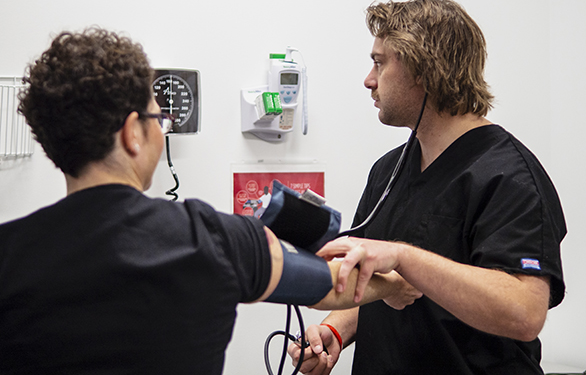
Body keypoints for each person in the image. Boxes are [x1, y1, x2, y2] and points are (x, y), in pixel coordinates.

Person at [0, 28, 422, 375]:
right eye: (158, 119)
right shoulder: (214, 238)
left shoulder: (9, 253)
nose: (161, 130)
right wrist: (396, 285)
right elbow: (331, 286)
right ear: (132, 133)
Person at [288, 0, 566, 374]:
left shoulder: (509, 176)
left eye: (379, 63)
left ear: (423, 68)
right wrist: (333, 332)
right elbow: (375, 282)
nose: (369, 80)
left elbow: (524, 312)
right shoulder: (388, 170)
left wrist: (404, 257)